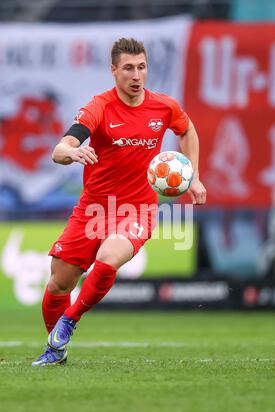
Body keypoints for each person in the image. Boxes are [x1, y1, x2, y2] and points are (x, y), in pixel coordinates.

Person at [32, 37, 206, 366]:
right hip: (93, 209)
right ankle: (55, 350)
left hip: (136, 210)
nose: (136, 75)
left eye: (141, 67)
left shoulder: (163, 106)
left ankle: (68, 323)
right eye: (128, 68)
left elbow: (187, 130)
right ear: (114, 70)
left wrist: (194, 176)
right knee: (58, 283)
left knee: (109, 257)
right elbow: (60, 149)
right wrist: (73, 151)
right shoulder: (98, 107)